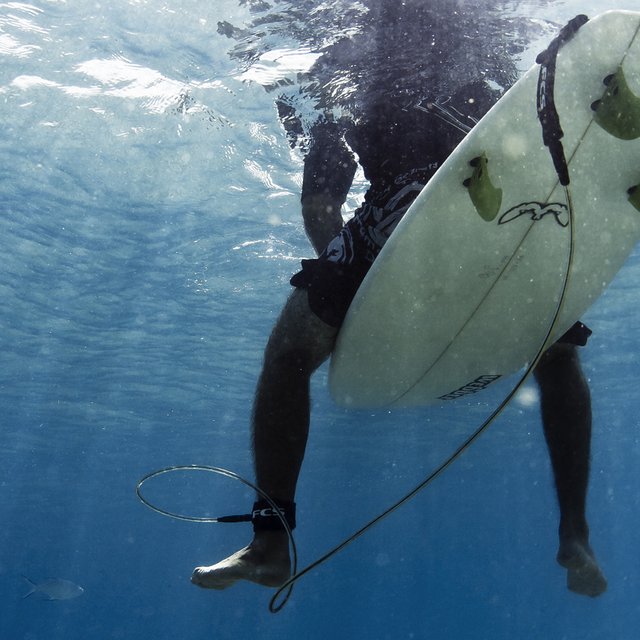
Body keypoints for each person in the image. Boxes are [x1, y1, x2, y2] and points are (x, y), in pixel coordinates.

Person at [191, 0, 607, 598]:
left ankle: (270, 542)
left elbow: (318, 208)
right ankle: (575, 532)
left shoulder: (339, 58)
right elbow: (565, 134)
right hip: (508, 223)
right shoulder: (492, 33)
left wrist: (357, 291)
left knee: (288, 357)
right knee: (558, 351)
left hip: (392, 216)